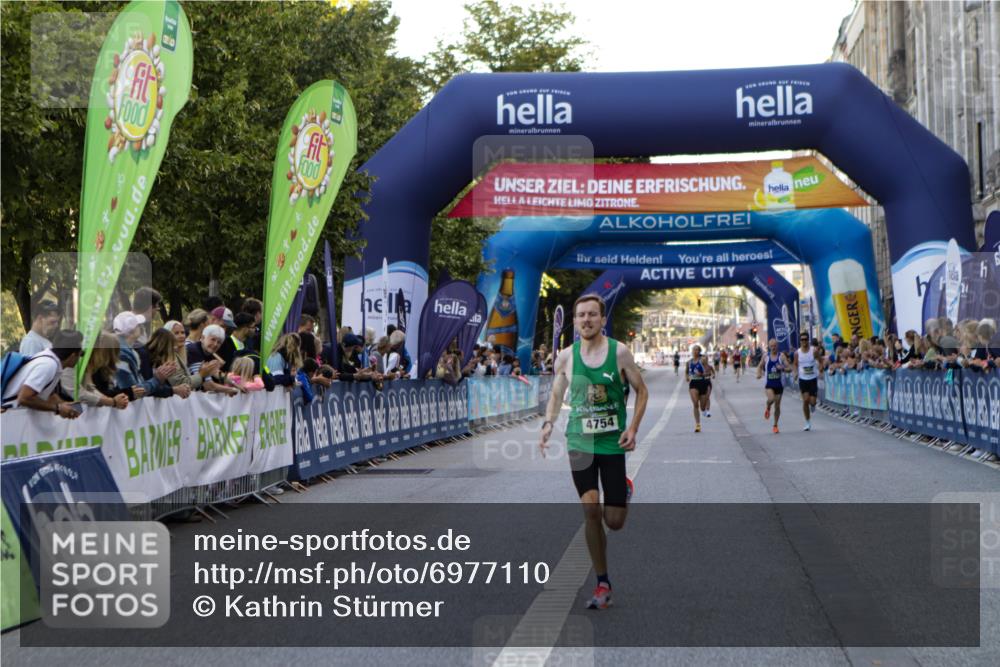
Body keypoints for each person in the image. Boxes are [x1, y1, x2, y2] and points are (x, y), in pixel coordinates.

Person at [538, 294, 648, 611]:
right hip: (580, 441)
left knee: (614, 521)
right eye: (581, 315)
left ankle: (623, 490)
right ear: (575, 322)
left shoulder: (620, 353)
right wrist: (548, 424)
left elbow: (642, 391)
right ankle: (602, 581)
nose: (586, 320)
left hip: (613, 442)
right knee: (590, 511)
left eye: (592, 315)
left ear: (602, 319)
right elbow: (557, 396)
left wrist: (633, 428)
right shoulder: (566, 358)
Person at [2, 329, 83, 417]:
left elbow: (48, 394)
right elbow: (24, 398)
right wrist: (58, 408)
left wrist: (64, 404)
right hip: (10, 418)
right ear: (73, 355)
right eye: (81, 354)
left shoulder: (50, 360)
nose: (80, 358)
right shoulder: (48, 365)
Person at [60, 331, 131, 409]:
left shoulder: (88, 364)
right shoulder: (74, 362)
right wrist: (111, 401)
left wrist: (110, 400)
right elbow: (78, 394)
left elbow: (90, 389)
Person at [114, 312, 174, 399]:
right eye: (138, 325)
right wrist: (157, 380)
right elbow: (135, 391)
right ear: (131, 330)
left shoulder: (130, 352)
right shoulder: (123, 354)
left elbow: (138, 387)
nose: (141, 327)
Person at [757, 338, 788, 434]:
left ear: (777, 346)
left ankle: (775, 425)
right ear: (769, 347)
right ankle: (768, 406)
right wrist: (758, 373)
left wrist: (782, 367)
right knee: (771, 399)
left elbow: (789, 367)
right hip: (769, 384)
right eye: (771, 346)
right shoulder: (766, 356)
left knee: (778, 406)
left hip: (779, 384)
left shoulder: (781, 356)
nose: (773, 348)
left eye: (775, 346)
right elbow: (759, 366)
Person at [793, 332, 822, 431]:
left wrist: (821, 368)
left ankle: (813, 405)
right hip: (803, 379)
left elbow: (820, 360)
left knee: (812, 401)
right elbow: (795, 365)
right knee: (805, 400)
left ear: (808, 340)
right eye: (802, 339)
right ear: (800, 341)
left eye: (806, 339)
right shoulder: (797, 353)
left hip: (813, 379)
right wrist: (796, 373)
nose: (804, 341)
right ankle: (807, 422)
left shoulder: (814, 351)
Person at [685, 344, 713, 433]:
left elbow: (709, 372)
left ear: (699, 351)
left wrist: (702, 374)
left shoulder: (703, 360)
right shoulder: (688, 362)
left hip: (703, 382)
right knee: (695, 403)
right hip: (693, 383)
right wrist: (687, 377)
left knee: (702, 407)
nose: (694, 351)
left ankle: (704, 410)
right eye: (693, 350)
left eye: (696, 350)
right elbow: (686, 372)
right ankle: (698, 425)